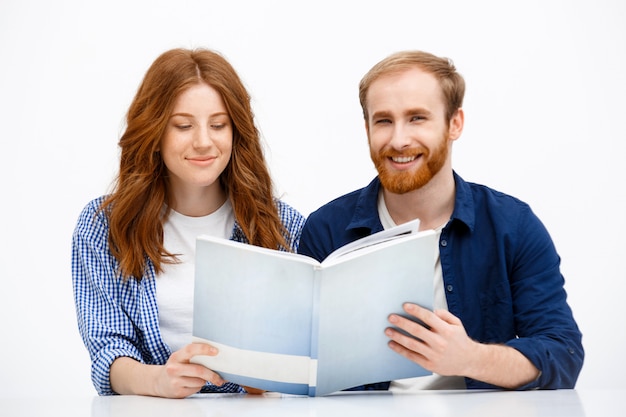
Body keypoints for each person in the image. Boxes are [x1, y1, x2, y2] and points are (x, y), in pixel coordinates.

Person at [298, 50, 584, 391]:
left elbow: (562, 354)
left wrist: (470, 358)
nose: (399, 140)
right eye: (384, 120)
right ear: (367, 128)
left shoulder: (513, 225)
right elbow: (301, 361)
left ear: (455, 123)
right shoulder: (326, 228)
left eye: (417, 118)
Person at [71, 48, 305, 398]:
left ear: (236, 131)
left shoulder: (283, 226)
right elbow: (108, 349)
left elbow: (301, 354)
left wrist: (270, 377)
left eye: (218, 125)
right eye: (183, 126)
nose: (203, 142)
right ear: (154, 132)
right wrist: (159, 381)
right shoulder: (104, 227)